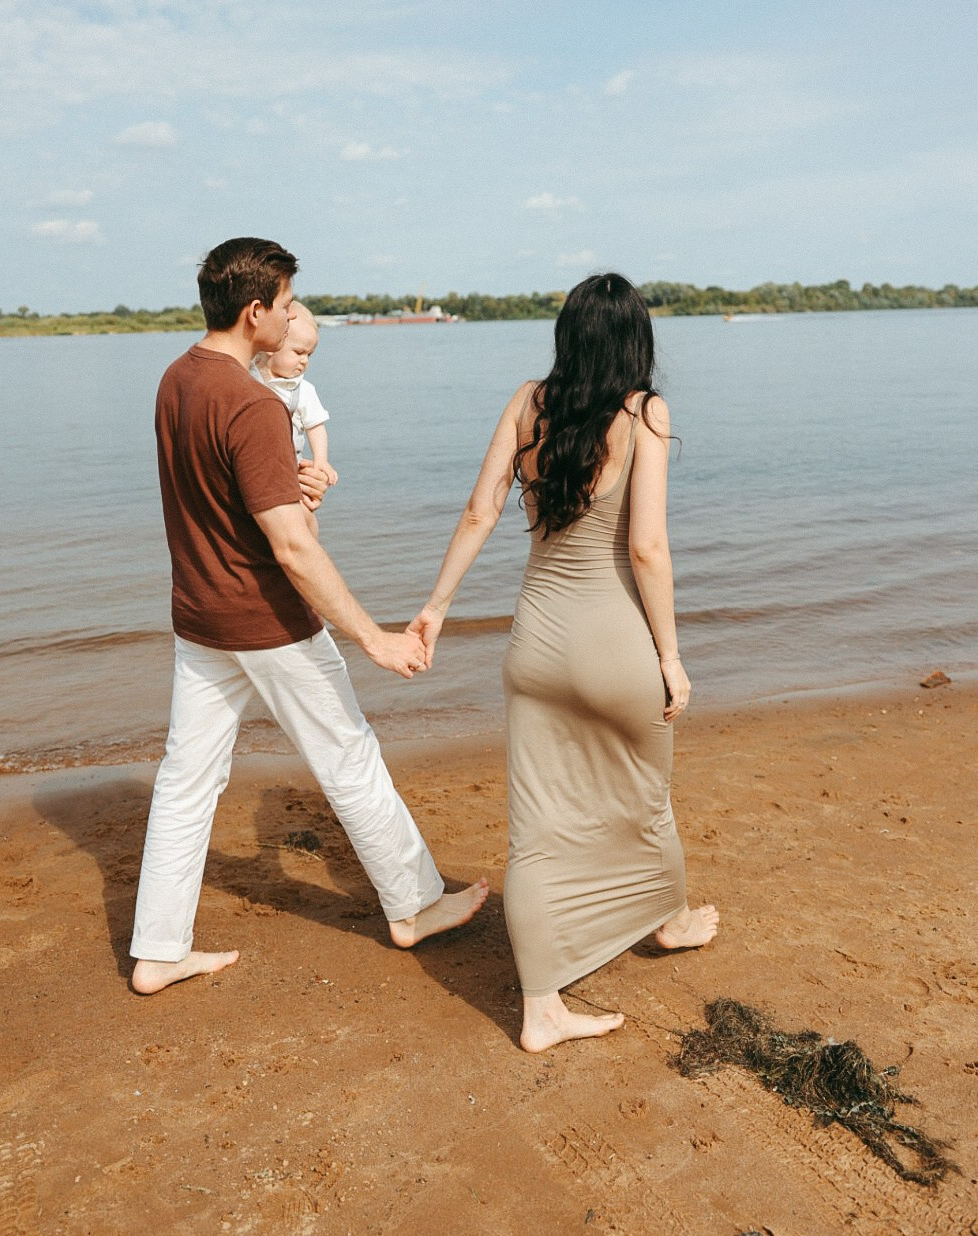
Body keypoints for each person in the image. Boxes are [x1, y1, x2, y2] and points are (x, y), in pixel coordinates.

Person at [130, 236, 487, 994]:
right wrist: (374, 638)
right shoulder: (253, 403)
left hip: (199, 619)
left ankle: (158, 948)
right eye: (287, 305)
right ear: (256, 312)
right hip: (266, 620)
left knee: (185, 779)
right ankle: (416, 906)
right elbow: (292, 549)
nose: (293, 318)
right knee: (349, 758)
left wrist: (291, 490)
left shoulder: (175, 380)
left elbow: (224, 500)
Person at [410, 272, 717, 1052]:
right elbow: (647, 548)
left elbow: (480, 511)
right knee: (645, 798)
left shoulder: (528, 403)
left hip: (537, 648)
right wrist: (671, 657)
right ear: (634, 341)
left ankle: (542, 1006)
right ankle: (671, 920)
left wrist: (437, 605)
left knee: (540, 828)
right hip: (615, 649)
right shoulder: (645, 414)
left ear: (569, 336)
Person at [253, 301, 338, 487]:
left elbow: (315, 426)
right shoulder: (248, 373)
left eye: (309, 355)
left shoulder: (302, 390)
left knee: (304, 512)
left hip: (290, 470)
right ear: (272, 345)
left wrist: (320, 460)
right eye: (299, 352)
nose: (305, 361)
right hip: (255, 467)